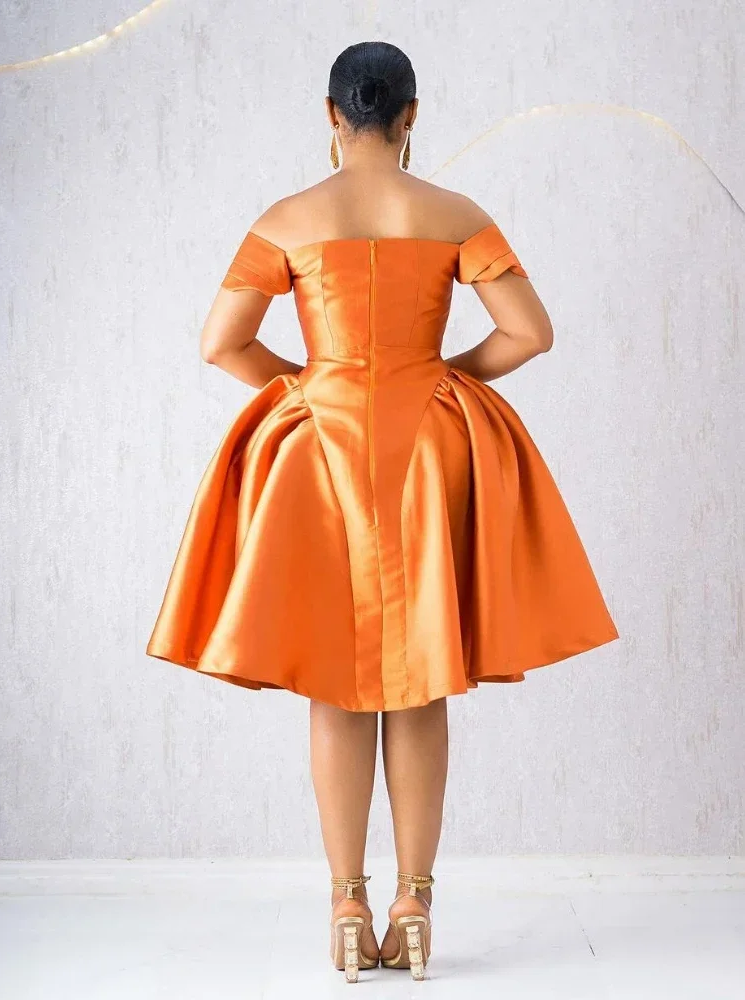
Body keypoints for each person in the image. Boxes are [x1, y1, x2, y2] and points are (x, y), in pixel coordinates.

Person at [145, 40, 619, 983]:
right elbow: (531, 331)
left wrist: (306, 384)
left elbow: (220, 344)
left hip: (320, 452)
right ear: (411, 115)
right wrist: (447, 376)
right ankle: (414, 900)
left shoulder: (286, 219)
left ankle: (346, 905)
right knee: (420, 680)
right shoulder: (456, 214)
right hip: (429, 447)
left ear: (331, 115)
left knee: (336, 681)